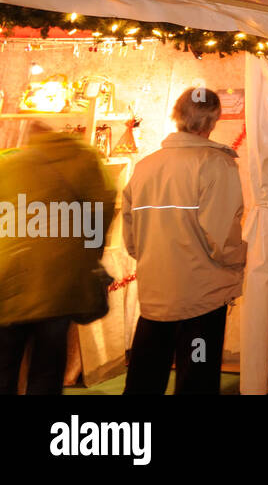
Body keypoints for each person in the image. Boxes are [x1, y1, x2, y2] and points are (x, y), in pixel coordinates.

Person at [123, 89, 245, 394]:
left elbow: (131, 234)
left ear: (177, 115)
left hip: (155, 290)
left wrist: (150, 258)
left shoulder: (145, 166)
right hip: (201, 293)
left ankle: (129, 439)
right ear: (214, 119)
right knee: (196, 380)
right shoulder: (216, 164)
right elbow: (222, 238)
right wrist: (244, 259)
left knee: (144, 378)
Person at [0, 123, 115, 395]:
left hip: (11, 277)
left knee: (5, 361)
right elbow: (103, 209)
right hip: (60, 283)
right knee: (47, 365)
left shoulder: (11, 165)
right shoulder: (85, 160)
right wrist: (89, 252)